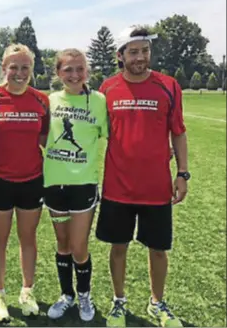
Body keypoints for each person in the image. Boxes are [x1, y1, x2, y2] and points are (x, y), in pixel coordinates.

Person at [96, 26, 189, 327]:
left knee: (158, 249)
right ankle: (119, 302)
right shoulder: (106, 88)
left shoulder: (168, 86)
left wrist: (183, 173)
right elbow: (94, 130)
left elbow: (178, 132)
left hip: (156, 186)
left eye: (145, 51)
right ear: (120, 55)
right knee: (118, 247)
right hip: (117, 186)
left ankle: (157, 303)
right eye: (133, 51)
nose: (140, 57)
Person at [0, 44, 50, 322]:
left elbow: (46, 140)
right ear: (3, 68)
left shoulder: (42, 100)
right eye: (14, 67)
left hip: (32, 179)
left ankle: (27, 291)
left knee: (28, 237)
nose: (19, 73)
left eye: (25, 67)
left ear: (31, 70)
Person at [42, 49, 108, 322]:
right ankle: (66, 294)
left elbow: (114, 135)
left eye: (79, 68)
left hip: (83, 184)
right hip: (54, 184)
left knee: (79, 245)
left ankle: (83, 294)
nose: (74, 74)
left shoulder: (99, 101)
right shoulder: (49, 100)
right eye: (68, 69)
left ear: (87, 71)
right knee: (62, 243)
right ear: (58, 73)